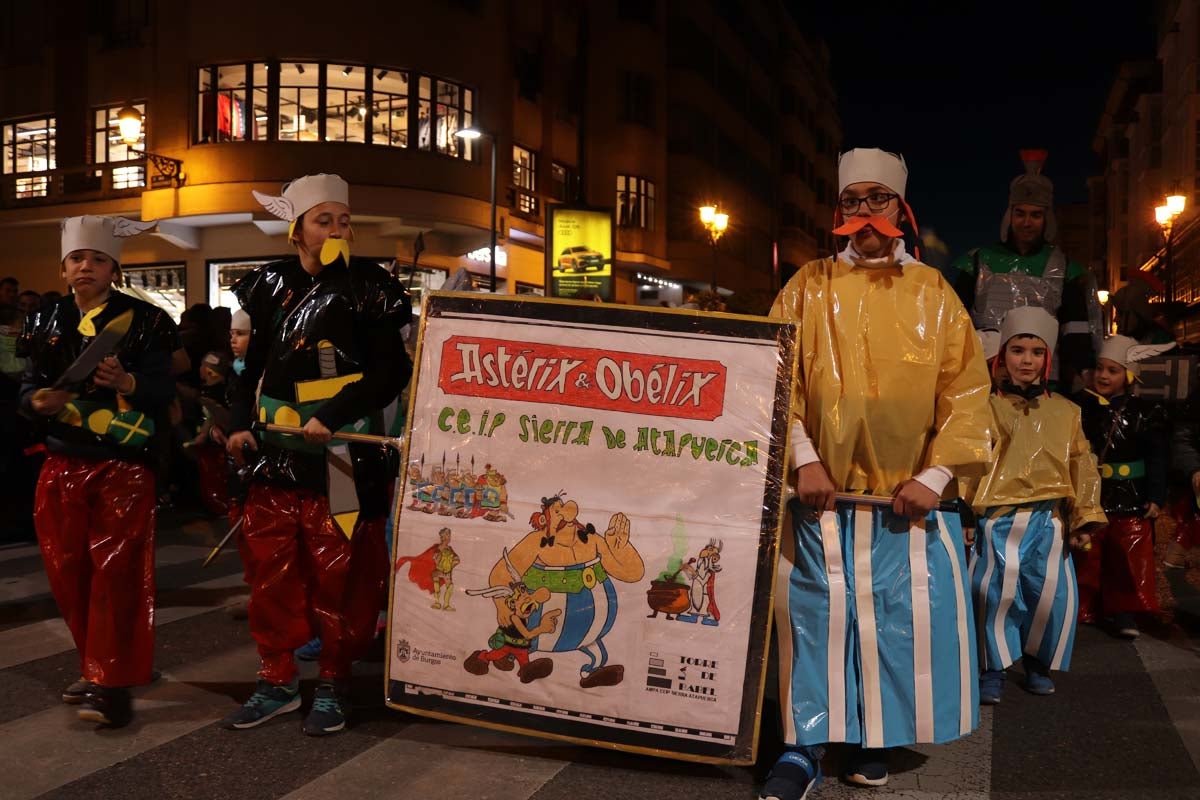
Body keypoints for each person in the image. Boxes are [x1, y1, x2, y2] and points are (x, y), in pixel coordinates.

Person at [763, 148, 992, 798]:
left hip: (902, 502)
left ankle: (874, 737)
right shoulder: (806, 287)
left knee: (894, 624)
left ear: (900, 208)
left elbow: (968, 397)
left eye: (877, 199)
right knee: (813, 621)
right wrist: (804, 461)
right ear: (839, 211)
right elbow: (776, 384)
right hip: (821, 504)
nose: (864, 213)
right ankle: (801, 747)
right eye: (852, 200)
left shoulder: (935, 293)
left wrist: (937, 477)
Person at [221, 173, 412, 736]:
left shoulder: (371, 286)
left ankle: (333, 682)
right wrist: (237, 424)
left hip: (344, 458)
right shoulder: (266, 286)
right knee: (271, 575)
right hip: (275, 458)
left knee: (342, 578)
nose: (336, 229)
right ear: (297, 230)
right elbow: (249, 369)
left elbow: (391, 370)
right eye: (324, 220)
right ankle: (276, 680)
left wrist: (331, 415)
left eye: (344, 220)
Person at [19, 215, 176, 727]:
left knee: (117, 575)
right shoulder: (44, 319)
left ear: (115, 269)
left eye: (98, 259)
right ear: (64, 269)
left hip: (122, 466)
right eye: (77, 259)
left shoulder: (145, 321)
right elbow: (26, 386)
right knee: (69, 574)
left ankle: (112, 686)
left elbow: (164, 392)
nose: (86, 266)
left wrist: (128, 380)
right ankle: (97, 666)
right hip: (61, 462)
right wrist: (33, 400)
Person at [966, 306, 1105, 706]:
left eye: (1036, 352)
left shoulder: (1066, 411)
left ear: (1048, 359)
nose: (1027, 360)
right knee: (992, 594)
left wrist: (1084, 518)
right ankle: (992, 667)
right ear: (1002, 356)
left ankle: (1036, 663)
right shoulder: (982, 407)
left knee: (1050, 596)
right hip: (996, 519)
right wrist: (963, 512)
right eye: (1017, 350)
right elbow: (969, 460)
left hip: (1049, 520)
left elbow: (1082, 464)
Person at [947, 150, 1101, 391]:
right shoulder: (978, 261)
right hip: (984, 377)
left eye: (1035, 215)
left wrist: (1082, 370)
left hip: (1045, 381)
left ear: (1046, 218)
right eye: (1020, 213)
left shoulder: (1064, 267)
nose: (1026, 222)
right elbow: (956, 322)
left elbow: (1075, 329)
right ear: (1010, 215)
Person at [1072, 335, 1172, 638]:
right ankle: (1082, 605)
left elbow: (1157, 456)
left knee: (1126, 555)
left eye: (1113, 371)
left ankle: (1122, 610)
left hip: (1131, 494)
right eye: (1100, 368)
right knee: (1087, 552)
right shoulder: (1080, 407)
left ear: (1127, 376)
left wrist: (1155, 495)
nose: (1103, 375)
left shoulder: (1146, 411)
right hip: (1092, 493)